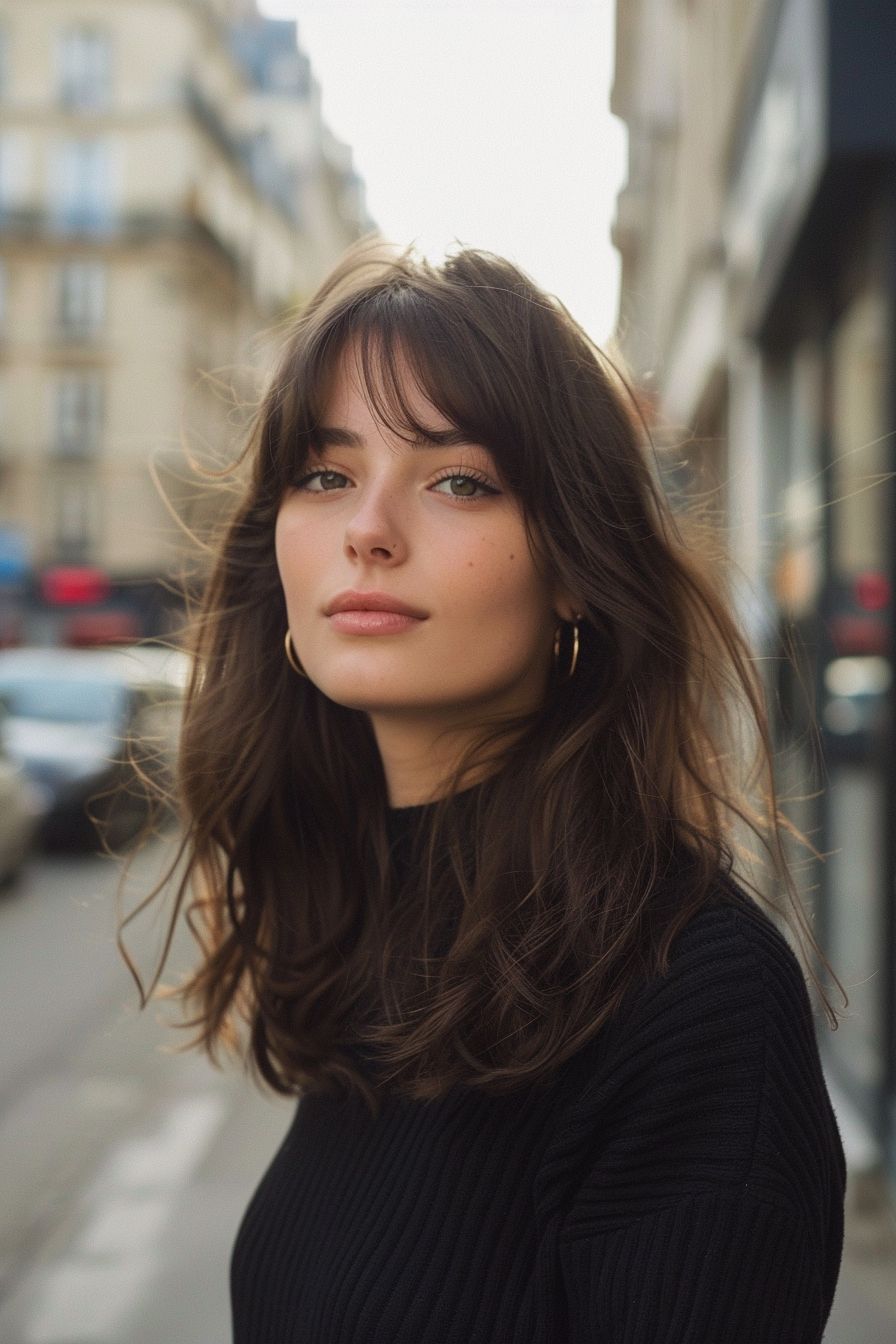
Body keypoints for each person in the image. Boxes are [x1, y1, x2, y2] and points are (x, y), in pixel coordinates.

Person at [125, 239, 846, 1342]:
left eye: (458, 479)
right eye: (325, 474)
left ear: (572, 567)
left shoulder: (693, 1000)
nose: (366, 528)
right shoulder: (376, 921)